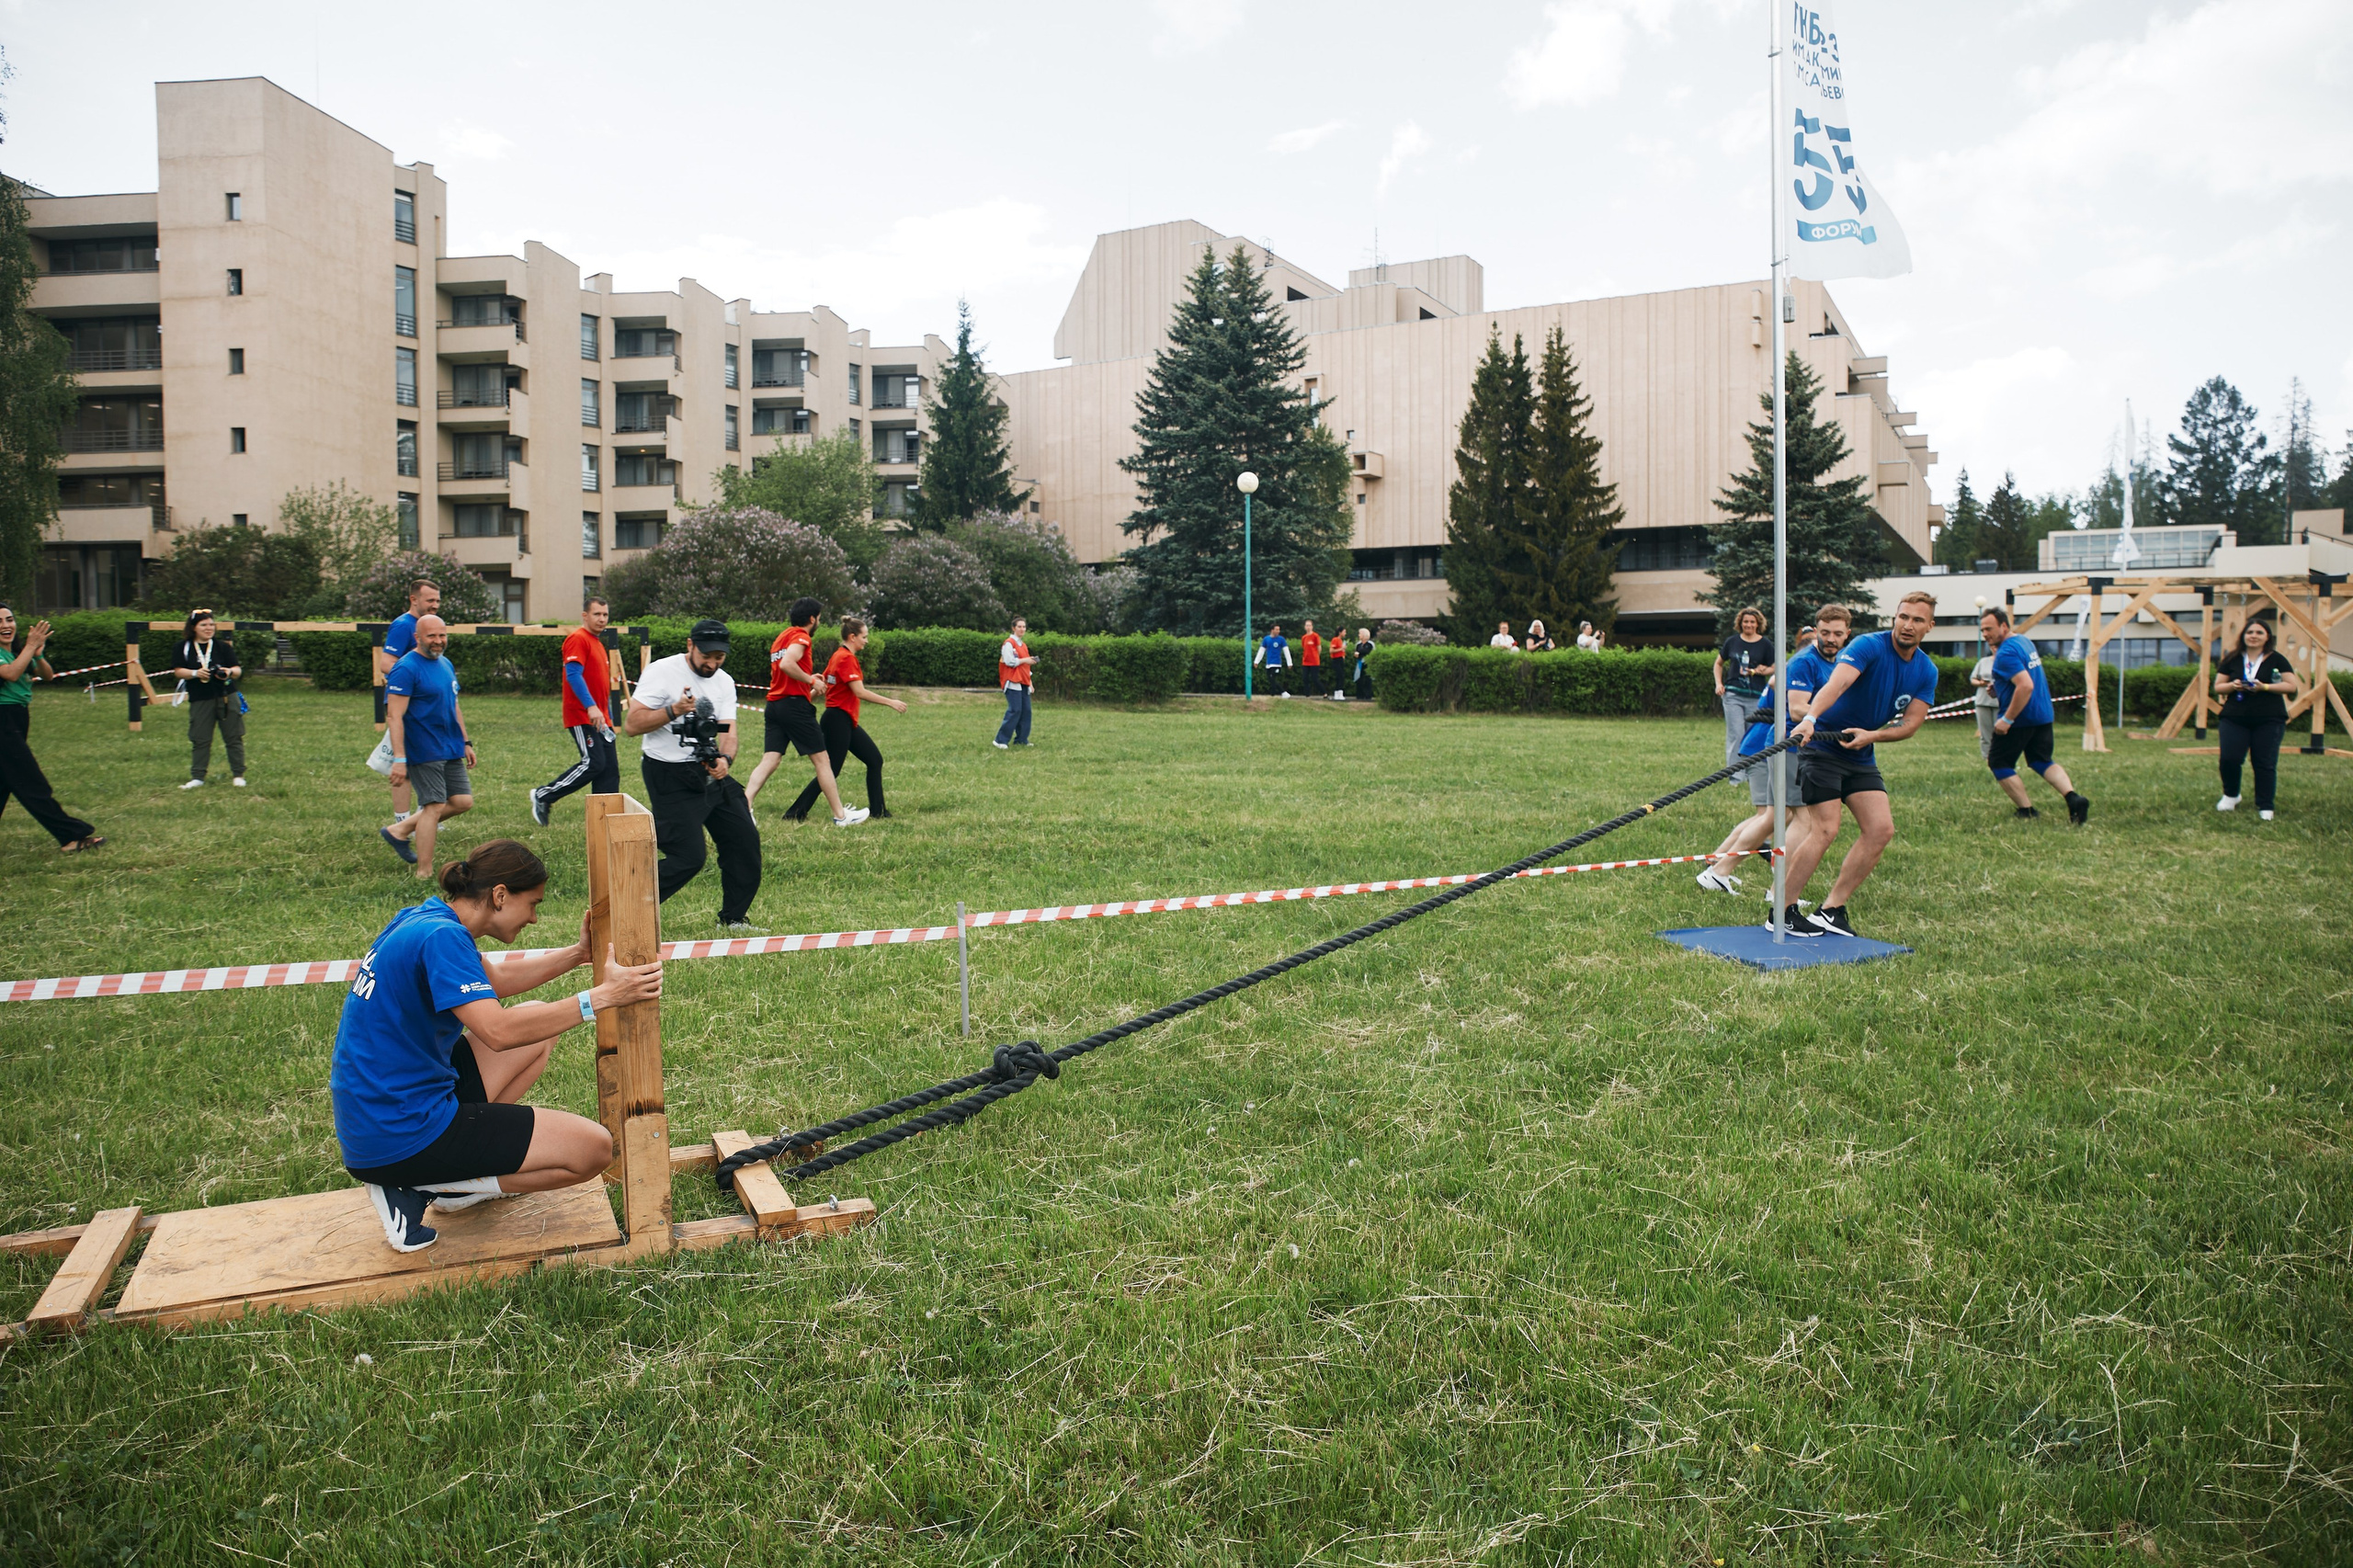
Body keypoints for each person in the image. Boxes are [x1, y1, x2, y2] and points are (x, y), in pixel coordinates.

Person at [331, 839, 665, 1254]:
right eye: (533, 904)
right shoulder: (442, 938)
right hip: (400, 1131)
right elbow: (499, 1032)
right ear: (501, 895)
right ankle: (423, 1184)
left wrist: (579, 954)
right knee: (594, 1150)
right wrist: (600, 998)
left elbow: (497, 983)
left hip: (381, 1115)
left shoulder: (428, 920)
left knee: (539, 1025)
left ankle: (453, 1186)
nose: (536, 918)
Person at [1777, 596, 1942, 937]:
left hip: (1861, 752)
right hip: (1823, 744)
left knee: (1881, 830)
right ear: (1895, 618)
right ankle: (1783, 910)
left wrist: (1873, 736)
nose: (1908, 625)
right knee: (1825, 829)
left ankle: (1831, 909)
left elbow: (1911, 723)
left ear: (1930, 627)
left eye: (1917, 620)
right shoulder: (1869, 645)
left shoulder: (1926, 670)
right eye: (1903, 617)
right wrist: (1809, 719)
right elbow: (1836, 685)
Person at [628, 618, 766, 932]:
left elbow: (729, 732)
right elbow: (632, 725)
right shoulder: (662, 672)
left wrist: (726, 759)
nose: (712, 663)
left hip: (709, 772)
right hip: (668, 774)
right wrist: (673, 710)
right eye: (707, 656)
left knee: (744, 840)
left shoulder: (724, 682)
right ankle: (625, 908)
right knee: (688, 857)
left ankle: (733, 919)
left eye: (719, 657)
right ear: (690, 646)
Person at [1697, 614, 1845, 895]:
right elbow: (1788, 696)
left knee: (1773, 817)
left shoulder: (1804, 666)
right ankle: (1747, 878)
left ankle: (1719, 868)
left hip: (1771, 745)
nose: (1829, 642)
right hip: (1774, 746)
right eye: (1821, 636)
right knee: (1785, 818)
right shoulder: (1801, 665)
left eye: (1837, 634)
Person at [744, 597, 865, 825]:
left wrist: (807, 683)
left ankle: (745, 805)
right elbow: (787, 665)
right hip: (794, 708)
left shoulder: (780, 638)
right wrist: (811, 680)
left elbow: (785, 673)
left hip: (775, 706)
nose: (818, 621)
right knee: (822, 760)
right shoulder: (801, 636)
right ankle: (841, 816)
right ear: (812, 618)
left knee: (771, 759)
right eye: (819, 618)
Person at [379, 615, 475, 882]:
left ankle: (399, 830)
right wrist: (400, 759)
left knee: (462, 801)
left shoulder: (445, 664)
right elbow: (394, 716)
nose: (438, 641)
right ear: (417, 637)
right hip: (423, 747)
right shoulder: (406, 668)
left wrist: (466, 742)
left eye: (442, 635)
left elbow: (453, 705)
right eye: (431, 636)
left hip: (450, 745)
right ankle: (424, 872)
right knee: (433, 806)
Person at [0, 606, 101, 854]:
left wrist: (38, 653)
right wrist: (30, 647)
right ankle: (70, 836)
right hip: (3, 719)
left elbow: (48, 676)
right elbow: (12, 675)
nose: (6, 625)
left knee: (5, 781)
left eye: (10, 619)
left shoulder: (16, 652)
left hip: (17, 717)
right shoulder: (11, 656)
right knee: (30, 781)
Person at [783, 617, 905, 821]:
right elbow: (860, 692)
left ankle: (878, 812)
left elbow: (823, 686)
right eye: (864, 637)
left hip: (843, 720)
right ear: (852, 637)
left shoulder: (837, 656)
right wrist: (890, 702)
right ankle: (795, 813)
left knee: (874, 760)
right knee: (831, 771)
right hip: (838, 720)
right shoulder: (847, 659)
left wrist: (806, 700)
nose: (866, 641)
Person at [1982, 607, 2089, 824]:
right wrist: (2000, 686)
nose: (1985, 634)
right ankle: (2073, 798)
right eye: (1982, 630)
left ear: (2003, 625)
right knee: (2041, 760)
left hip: (2020, 718)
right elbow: (2023, 677)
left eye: (1989, 629)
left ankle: (2026, 810)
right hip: (2043, 714)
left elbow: (2026, 686)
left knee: (1999, 762)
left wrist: (2007, 719)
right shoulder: (2023, 641)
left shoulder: (2005, 653)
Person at [529, 597, 620, 826]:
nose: (602, 619)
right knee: (594, 763)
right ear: (584, 616)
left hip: (601, 718)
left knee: (610, 770)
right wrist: (591, 706)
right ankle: (544, 795)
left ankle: (604, 821)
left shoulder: (598, 643)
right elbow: (573, 675)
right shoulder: (578, 639)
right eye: (597, 614)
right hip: (582, 715)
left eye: (605, 615)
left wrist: (606, 714)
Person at [2213, 616, 2298, 821]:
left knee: (2264, 762)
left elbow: (2291, 686)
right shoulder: (2232, 658)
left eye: (2259, 632)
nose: (2254, 636)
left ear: (2267, 637)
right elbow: (2217, 686)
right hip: (2234, 717)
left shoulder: (2277, 659)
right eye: (2250, 632)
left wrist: (2265, 687)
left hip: (2269, 718)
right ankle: (2231, 795)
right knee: (2229, 759)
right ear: (2243, 636)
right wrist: (2233, 686)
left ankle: (2265, 805)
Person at [378, 579, 441, 827]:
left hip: (426, 703)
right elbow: (385, 664)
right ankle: (403, 821)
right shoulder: (403, 625)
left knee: (429, 759)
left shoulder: (430, 626)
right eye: (430, 600)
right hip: (405, 703)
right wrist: (418, 680)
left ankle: (425, 815)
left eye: (437, 600)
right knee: (403, 763)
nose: (435, 605)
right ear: (414, 600)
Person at [170, 608, 246, 789]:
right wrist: (196, 673)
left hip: (227, 697)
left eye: (211, 624)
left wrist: (228, 671)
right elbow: (178, 671)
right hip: (200, 698)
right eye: (203, 625)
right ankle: (198, 777)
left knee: (234, 736)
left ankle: (238, 775)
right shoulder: (182, 647)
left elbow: (237, 670)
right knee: (200, 738)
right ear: (193, 627)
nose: (209, 628)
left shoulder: (222, 647)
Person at [1713, 607, 1775, 787]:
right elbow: (1718, 663)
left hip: (1756, 696)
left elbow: (1775, 667)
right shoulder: (1732, 642)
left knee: (1752, 735)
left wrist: (1759, 671)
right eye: (1745, 621)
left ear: (1758, 624)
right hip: (1733, 695)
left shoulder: (1765, 644)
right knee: (1736, 733)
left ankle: (1753, 774)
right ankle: (1735, 777)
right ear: (1740, 623)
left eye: (1752, 622)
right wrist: (1719, 683)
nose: (1748, 625)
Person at [995, 615, 1039, 741]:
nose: (1022, 629)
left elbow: (1026, 667)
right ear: (1013, 628)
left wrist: (1030, 682)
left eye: (1024, 627)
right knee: (1015, 710)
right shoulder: (1009, 644)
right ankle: (1000, 740)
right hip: (1012, 681)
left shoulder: (1023, 645)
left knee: (1026, 712)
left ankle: (1021, 739)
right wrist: (1025, 660)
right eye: (1019, 627)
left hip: (1023, 681)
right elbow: (1010, 662)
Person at [1969, 649, 1999, 759]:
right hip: (1982, 701)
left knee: (1999, 733)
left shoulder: (2006, 661)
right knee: (1985, 733)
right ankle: (1986, 757)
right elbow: (1973, 679)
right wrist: (1980, 683)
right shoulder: (1983, 662)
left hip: (1999, 702)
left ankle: (2000, 756)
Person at [1255, 623, 1292, 699]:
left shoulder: (1281, 639)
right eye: (1277, 629)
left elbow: (1286, 651)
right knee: (1270, 679)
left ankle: (1283, 693)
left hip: (1276, 663)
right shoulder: (1266, 639)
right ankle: (1273, 695)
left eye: (1279, 629)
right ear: (1272, 630)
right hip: (1268, 663)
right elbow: (1261, 651)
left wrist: (1289, 663)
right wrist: (1256, 661)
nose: (1278, 631)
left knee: (1272, 678)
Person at [1299, 619, 1326, 698]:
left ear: (1312, 627)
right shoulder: (1304, 637)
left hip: (1314, 661)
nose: (1308, 627)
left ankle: (1324, 692)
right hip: (1305, 661)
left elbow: (1319, 648)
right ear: (1305, 627)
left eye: (1309, 625)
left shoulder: (1315, 636)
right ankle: (1307, 694)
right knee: (1305, 678)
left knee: (1315, 679)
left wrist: (1316, 656)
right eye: (1307, 625)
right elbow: (1304, 647)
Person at [1351, 627, 1373, 701]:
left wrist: (1360, 653)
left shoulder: (1370, 644)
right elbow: (1358, 651)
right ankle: (1359, 695)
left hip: (1367, 663)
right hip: (1360, 663)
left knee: (1367, 680)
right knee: (1359, 679)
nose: (1359, 635)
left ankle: (1368, 695)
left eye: (1360, 634)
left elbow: (1367, 651)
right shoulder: (1358, 644)